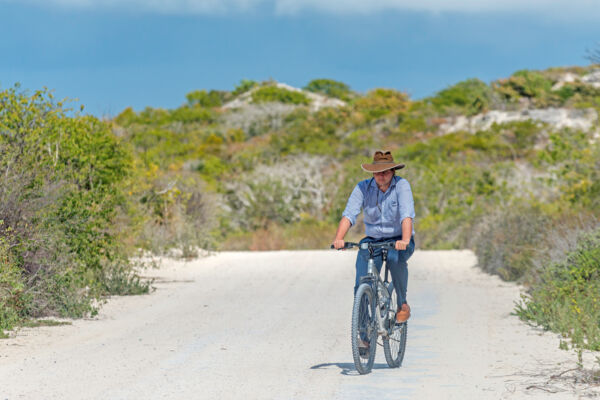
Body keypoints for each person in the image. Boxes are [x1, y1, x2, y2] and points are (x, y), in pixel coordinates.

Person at [332, 150, 415, 323]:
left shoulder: (401, 185)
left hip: (398, 238)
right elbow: (349, 214)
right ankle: (363, 336)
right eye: (377, 172)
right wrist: (339, 238)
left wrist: (405, 240)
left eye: (385, 172)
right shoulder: (363, 187)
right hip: (373, 240)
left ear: (393, 171)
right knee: (362, 282)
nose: (381, 176)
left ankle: (402, 304)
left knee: (394, 259)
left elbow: (406, 215)